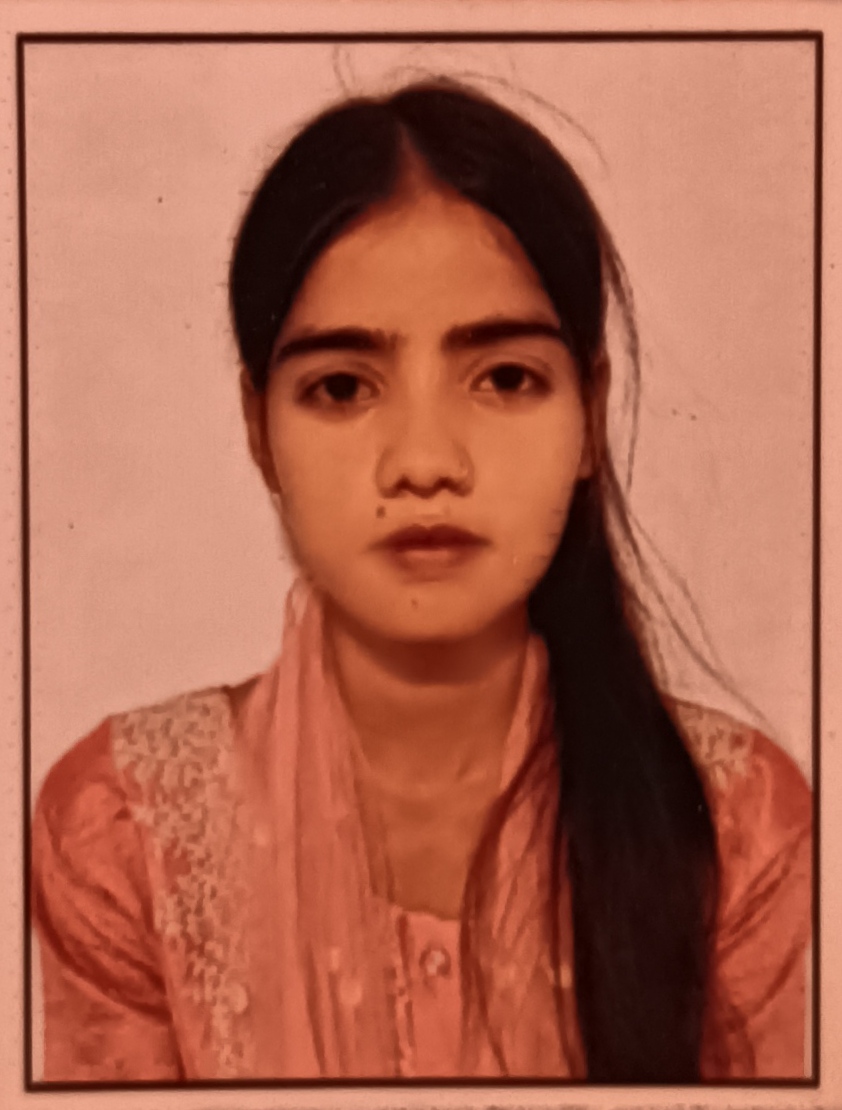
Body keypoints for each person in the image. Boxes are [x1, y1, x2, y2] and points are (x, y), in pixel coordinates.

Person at [30, 78, 812, 1083]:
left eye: (505, 379)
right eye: (341, 387)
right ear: (258, 429)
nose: (425, 462)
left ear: (589, 413)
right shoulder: (123, 832)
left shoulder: (741, 831)